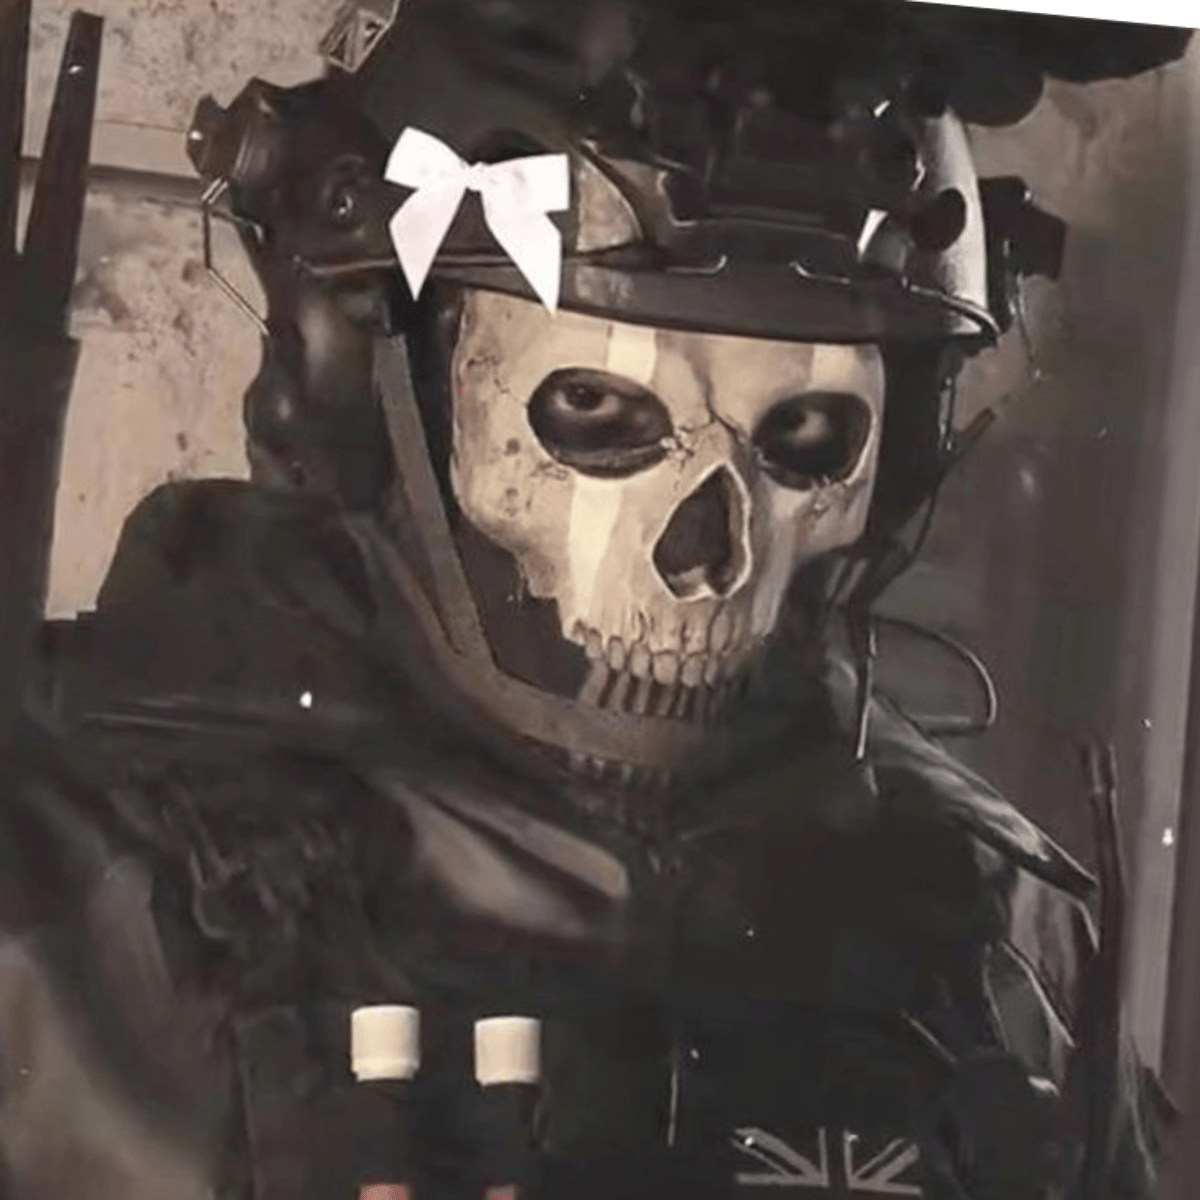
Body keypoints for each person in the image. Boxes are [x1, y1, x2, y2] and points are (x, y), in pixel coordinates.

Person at [0, 1, 1190, 1197]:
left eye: (806, 435)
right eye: (597, 409)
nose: (707, 562)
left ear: (897, 465)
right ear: (375, 390)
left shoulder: (1000, 932)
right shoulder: (63, 867)